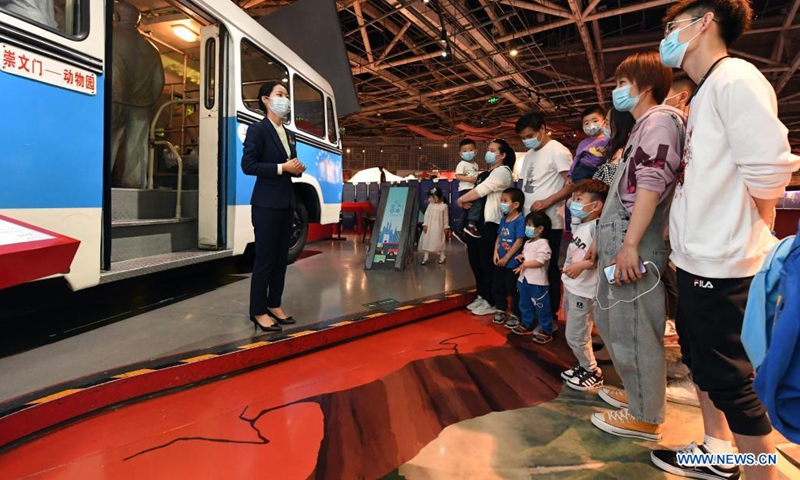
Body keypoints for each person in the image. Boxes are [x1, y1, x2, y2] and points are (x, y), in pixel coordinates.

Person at [651, 1, 800, 478]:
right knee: (703, 364)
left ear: (704, 22)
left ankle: (761, 472)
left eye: (673, 25)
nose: (668, 35)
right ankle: (718, 450)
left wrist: (743, 229)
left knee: (734, 381)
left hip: (725, 265)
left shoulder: (736, 78)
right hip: (699, 260)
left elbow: (770, 171)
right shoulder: (708, 88)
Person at [590, 51, 685, 442]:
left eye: (620, 84)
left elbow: (650, 182)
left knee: (634, 326)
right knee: (614, 319)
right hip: (622, 233)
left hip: (634, 236)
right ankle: (635, 395)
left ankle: (645, 416)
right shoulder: (641, 127)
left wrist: (630, 245)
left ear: (645, 86)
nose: (615, 92)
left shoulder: (660, 120)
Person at [242, 81, 306, 333]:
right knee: (265, 260)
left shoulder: (289, 134)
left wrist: (297, 169)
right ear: (265, 100)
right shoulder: (257, 130)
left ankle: (274, 304)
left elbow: (290, 164)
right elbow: (248, 165)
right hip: (266, 205)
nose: (285, 99)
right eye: (280, 95)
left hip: (285, 203)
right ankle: (258, 311)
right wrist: (281, 168)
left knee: (281, 260)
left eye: (287, 96)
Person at [516, 113, 573, 319]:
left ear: (543, 129)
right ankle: (531, 312)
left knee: (546, 270)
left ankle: (549, 314)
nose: (527, 140)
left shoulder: (558, 151)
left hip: (548, 223)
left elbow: (572, 184)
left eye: (530, 135)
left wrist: (548, 202)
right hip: (529, 221)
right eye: (522, 138)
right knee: (529, 268)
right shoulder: (530, 154)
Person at [110, 1, 165, 189]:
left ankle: (101, 181)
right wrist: (150, 102)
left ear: (116, 17)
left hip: (115, 98)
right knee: (137, 146)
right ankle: (134, 185)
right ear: (137, 22)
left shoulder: (109, 38)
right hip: (141, 104)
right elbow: (159, 82)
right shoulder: (152, 49)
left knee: (109, 140)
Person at [561, 179, 608, 391]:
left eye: (579, 199)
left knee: (575, 334)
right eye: (573, 198)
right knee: (576, 332)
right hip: (572, 286)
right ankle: (582, 364)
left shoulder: (598, 228)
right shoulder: (583, 224)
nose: (573, 203)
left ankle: (591, 370)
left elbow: (600, 257)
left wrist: (582, 265)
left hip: (583, 291)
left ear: (596, 205)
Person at [459, 139, 515, 317]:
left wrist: (461, 200)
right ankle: (482, 295)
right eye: (488, 150)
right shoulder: (486, 172)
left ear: (502, 155)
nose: (488, 153)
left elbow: (481, 190)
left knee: (487, 263)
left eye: (493, 150)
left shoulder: (503, 172)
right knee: (475, 262)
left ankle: (492, 300)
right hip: (476, 223)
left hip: (490, 224)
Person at [511, 211, 555, 344]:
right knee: (525, 304)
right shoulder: (528, 242)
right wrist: (522, 257)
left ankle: (547, 330)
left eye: (530, 225)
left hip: (537, 282)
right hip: (524, 280)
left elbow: (540, 261)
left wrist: (525, 264)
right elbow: (527, 255)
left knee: (542, 307)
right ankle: (527, 323)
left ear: (540, 228)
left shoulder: (543, 244)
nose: (527, 228)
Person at [491, 188, 525, 326]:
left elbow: (519, 240)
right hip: (500, 260)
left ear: (516, 204)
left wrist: (507, 258)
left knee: (513, 288)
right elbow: (499, 236)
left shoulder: (520, 220)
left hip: (512, 263)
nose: (502, 204)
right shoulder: (504, 219)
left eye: (505, 201)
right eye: (501, 201)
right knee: (498, 285)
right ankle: (500, 308)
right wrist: (496, 253)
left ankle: (516, 314)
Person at [593, 109, 636, 187]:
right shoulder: (616, 151)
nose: (604, 126)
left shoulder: (623, 154)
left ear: (619, 125)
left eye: (607, 122)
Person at [569, 107, 608, 184]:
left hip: (602, 171)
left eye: (595, 121)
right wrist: (570, 175)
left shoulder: (609, 139)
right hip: (583, 170)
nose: (591, 125)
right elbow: (576, 159)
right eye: (586, 123)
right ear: (583, 127)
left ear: (604, 122)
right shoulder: (583, 143)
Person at [454, 139, 482, 239]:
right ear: (460, 153)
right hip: (465, 189)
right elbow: (458, 176)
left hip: (471, 189)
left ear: (476, 151)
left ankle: (459, 229)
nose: (468, 153)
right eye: (465, 151)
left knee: (467, 210)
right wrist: (470, 179)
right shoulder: (462, 164)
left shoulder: (475, 165)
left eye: (470, 150)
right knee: (478, 203)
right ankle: (471, 225)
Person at [419, 187, 450, 265]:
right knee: (427, 241)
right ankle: (426, 256)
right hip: (430, 226)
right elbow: (426, 215)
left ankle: (442, 256)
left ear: (437, 197)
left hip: (439, 227)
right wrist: (425, 224)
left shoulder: (444, 206)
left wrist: (446, 226)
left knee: (440, 241)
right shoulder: (430, 205)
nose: (430, 198)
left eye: (432, 197)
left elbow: (446, 217)